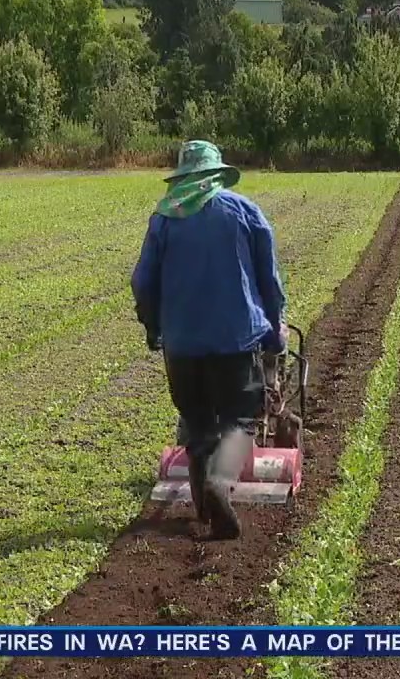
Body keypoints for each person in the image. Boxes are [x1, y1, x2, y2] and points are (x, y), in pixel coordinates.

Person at [131, 140, 287, 540]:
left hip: (181, 346)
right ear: (216, 176)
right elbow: (268, 280)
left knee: (198, 423)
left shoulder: (164, 219)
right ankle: (220, 482)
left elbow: (143, 282)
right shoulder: (244, 211)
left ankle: (203, 505)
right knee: (242, 420)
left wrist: (154, 327)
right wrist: (274, 329)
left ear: (182, 178)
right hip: (236, 341)